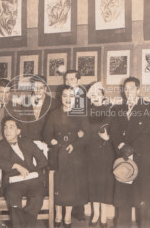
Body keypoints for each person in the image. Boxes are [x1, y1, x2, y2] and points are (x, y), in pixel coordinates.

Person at [110, 77, 150, 228]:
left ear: (138, 90)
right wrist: (122, 146)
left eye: (131, 88)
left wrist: (132, 149)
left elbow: (149, 133)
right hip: (123, 161)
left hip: (142, 161)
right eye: (125, 88)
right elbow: (114, 131)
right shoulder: (117, 109)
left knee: (143, 205)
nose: (128, 91)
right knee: (123, 203)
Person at [0, 116, 48, 228]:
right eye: (5, 128)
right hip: (13, 182)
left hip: (33, 180)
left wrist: (35, 172)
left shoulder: (27, 142)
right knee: (12, 195)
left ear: (18, 131)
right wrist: (15, 166)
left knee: (37, 197)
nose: (7, 130)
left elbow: (43, 159)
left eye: (11, 127)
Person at [43, 85, 88, 227]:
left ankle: (67, 217)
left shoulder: (80, 113)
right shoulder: (54, 114)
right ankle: (57, 216)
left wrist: (75, 144)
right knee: (57, 186)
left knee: (70, 188)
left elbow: (86, 136)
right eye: (64, 96)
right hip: (57, 154)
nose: (68, 99)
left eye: (71, 96)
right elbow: (46, 133)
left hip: (74, 156)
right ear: (60, 97)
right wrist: (52, 140)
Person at [82, 82, 115, 227]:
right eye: (92, 95)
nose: (95, 97)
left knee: (104, 184)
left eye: (98, 94)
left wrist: (109, 138)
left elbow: (117, 131)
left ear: (103, 95)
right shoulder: (86, 112)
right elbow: (84, 130)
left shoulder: (110, 111)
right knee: (93, 183)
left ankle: (103, 215)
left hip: (106, 152)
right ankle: (95, 214)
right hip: (90, 152)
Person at [64, 70, 87, 220]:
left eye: (72, 79)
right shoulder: (65, 95)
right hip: (68, 141)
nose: (69, 81)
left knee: (80, 177)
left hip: (81, 144)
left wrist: (83, 131)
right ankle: (68, 210)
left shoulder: (85, 97)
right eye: (67, 79)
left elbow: (88, 118)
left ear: (78, 80)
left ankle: (78, 212)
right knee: (67, 177)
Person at [22, 75, 58, 141]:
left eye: (41, 88)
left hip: (46, 142)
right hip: (29, 141)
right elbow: (23, 125)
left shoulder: (53, 103)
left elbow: (55, 126)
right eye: (35, 87)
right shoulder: (25, 102)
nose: (38, 90)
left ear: (45, 88)